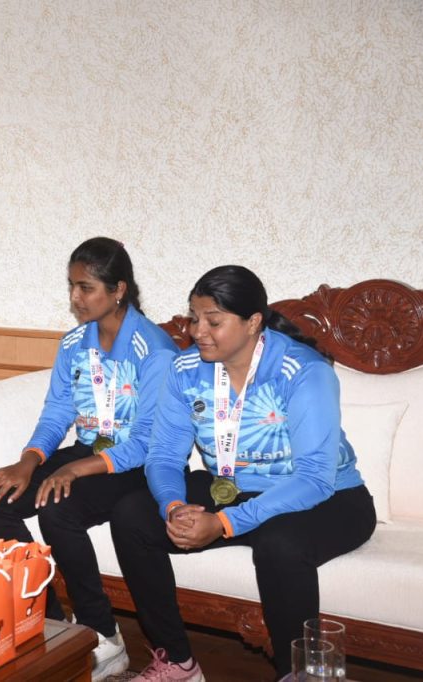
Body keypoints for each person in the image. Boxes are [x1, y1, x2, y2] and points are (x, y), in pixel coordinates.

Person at [111, 265, 376, 681]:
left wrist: (223, 522)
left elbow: (314, 478)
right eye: (194, 318)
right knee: (132, 514)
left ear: (253, 322)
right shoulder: (184, 370)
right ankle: (177, 662)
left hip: (329, 498)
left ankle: (297, 675)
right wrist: (173, 505)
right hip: (234, 489)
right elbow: (163, 455)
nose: (199, 331)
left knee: (279, 543)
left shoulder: (303, 372)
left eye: (213, 321)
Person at [0, 237, 178, 680]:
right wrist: (29, 460)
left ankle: (101, 633)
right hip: (90, 451)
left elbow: (147, 440)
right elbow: (58, 412)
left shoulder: (155, 350)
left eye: (86, 288)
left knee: (58, 505)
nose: (75, 298)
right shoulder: (73, 345)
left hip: (139, 462)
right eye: (72, 286)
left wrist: (74, 468)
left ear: (118, 289)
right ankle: (48, 622)